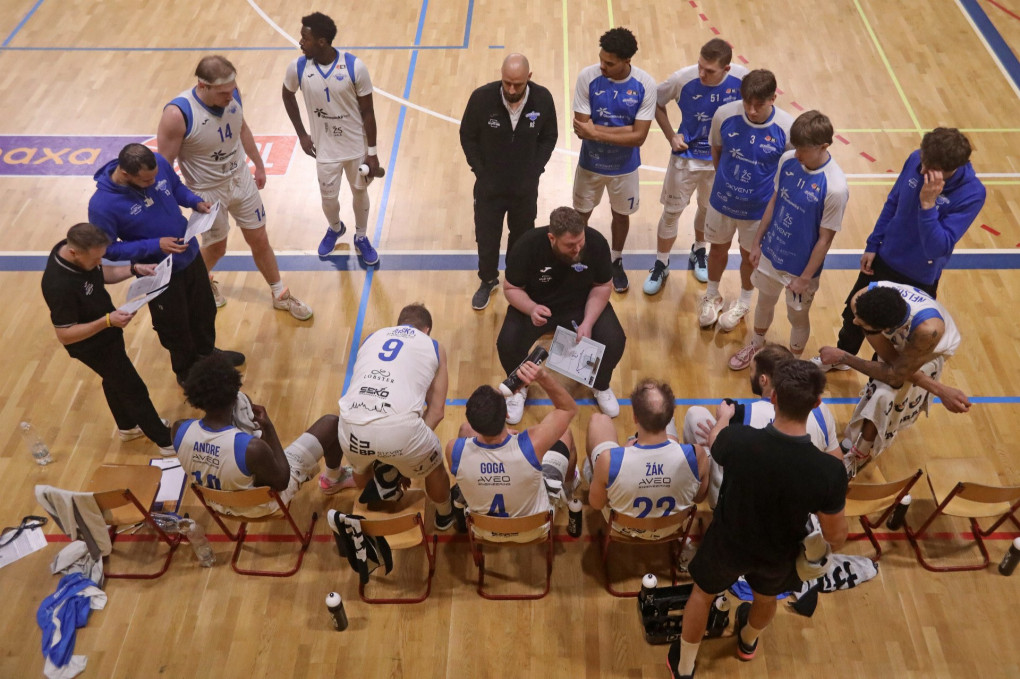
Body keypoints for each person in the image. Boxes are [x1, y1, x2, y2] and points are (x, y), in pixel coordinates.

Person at [667, 360, 848, 679]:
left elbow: (716, 441)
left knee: (702, 595)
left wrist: (724, 417)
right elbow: (836, 536)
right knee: (765, 599)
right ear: (817, 404)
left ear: (773, 396)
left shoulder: (738, 441)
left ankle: (684, 668)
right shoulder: (829, 471)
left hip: (728, 544)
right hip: (780, 553)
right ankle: (747, 642)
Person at [814, 127, 985, 371]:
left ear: (950, 169)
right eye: (923, 161)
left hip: (919, 277)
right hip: (884, 258)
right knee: (854, 316)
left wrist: (928, 205)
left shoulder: (972, 193)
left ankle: (878, 377)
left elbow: (938, 247)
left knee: (894, 333)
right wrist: (874, 243)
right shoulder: (917, 159)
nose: (921, 170)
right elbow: (893, 202)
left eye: (929, 167)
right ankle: (841, 358)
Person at [157, 54, 313, 320]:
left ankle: (279, 293)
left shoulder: (231, 94)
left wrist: (259, 164)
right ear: (203, 85)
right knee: (217, 248)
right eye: (223, 93)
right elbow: (164, 166)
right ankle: (197, 283)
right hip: (206, 191)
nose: (230, 97)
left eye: (232, 90)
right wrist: (172, 207)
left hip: (241, 179)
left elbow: (242, 128)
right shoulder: (177, 114)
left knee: (260, 239)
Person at [88, 143, 244, 385]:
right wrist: (155, 245)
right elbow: (107, 249)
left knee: (204, 310)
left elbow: (176, 187)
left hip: (190, 255)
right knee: (174, 325)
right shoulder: (102, 205)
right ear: (126, 174)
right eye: (146, 181)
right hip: (157, 272)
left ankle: (207, 355)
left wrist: (194, 202)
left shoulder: (158, 163)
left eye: (154, 178)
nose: (153, 183)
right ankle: (187, 372)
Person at [728, 110, 848, 371]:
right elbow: (774, 201)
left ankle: (792, 365)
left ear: (823, 146)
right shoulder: (787, 161)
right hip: (771, 252)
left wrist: (804, 278)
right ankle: (756, 345)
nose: (797, 154)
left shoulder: (835, 187)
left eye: (803, 149)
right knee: (764, 301)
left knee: (797, 316)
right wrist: (757, 242)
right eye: (796, 147)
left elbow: (825, 240)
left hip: (801, 269)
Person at [41, 223, 173, 454]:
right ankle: (165, 442)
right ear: (74, 252)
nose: (98, 263)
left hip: (108, 329)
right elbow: (65, 334)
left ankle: (128, 427)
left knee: (114, 379)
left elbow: (101, 273)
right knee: (132, 387)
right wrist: (107, 321)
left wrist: (134, 269)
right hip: (90, 344)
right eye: (95, 259)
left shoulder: (79, 252)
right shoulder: (58, 284)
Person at [173, 353, 355, 519]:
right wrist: (268, 428)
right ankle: (333, 479)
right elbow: (282, 481)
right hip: (261, 506)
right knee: (331, 423)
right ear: (235, 393)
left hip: (218, 504)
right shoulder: (251, 448)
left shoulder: (179, 429)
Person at [819, 282, 968, 475]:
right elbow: (890, 361)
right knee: (879, 385)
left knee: (883, 395)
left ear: (886, 328)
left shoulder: (927, 330)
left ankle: (861, 452)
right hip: (904, 343)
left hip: (931, 350)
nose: (855, 322)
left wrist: (844, 357)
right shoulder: (861, 300)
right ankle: (856, 437)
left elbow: (894, 375)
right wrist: (938, 389)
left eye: (863, 325)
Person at [497, 206, 627, 422]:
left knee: (614, 340)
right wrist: (531, 308)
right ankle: (520, 387)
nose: (577, 249)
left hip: (581, 305)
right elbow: (511, 288)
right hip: (538, 307)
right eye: (570, 245)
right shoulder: (527, 245)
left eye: (580, 242)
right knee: (507, 342)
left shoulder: (596, 243)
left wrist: (588, 322)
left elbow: (603, 285)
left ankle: (600, 384)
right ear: (552, 238)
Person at [337, 304, 455, 529]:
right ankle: (445, 515)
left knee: (360, 469)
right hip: (399, 430)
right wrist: (407, 455)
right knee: (435, 467)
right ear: (427, 330)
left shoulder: (372, 338)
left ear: (398, 324)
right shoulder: (433, 345)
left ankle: (379, 492)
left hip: (350, 423)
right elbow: (437, 412)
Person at [645, 38, 747, 294]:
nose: (701, 73)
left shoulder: (743, 80)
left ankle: (699, 250)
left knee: (707, 209)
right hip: (686, 157)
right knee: (672, 212)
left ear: (726, 69)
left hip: (720, 160)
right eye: (700, 65)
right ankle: (661, 263)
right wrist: (671, 135)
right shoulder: (683, 79)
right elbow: (655, 101)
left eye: (709, 70)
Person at [683, 345, 841, 507]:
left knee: (695, 414)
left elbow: (718, 447)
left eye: (751, 370)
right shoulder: (821, 410)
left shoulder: (742, 414)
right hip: (801, 505)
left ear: (763, 380)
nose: (750, 374)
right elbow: (836, 465)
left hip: (742, 505)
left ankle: (693, 494)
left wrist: (721, 422)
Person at [281, 12, 382, 266]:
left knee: (359, 192)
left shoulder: (354, 67)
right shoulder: (298, 68)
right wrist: (302, 134)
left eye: (305, 38)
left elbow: (368, 112)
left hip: (355, 147)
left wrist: (372, 152)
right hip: (324, 150)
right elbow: (287, 95)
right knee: (328, 199)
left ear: (322, 41)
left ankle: (361, 237)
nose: (300, 42)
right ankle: (336, 228)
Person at [460, 53, 558, 310]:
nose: (511, 90)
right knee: (487, 238)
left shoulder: (543, 99)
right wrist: (480, 170)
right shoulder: (481, 98)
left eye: (518, 84)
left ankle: (517, 282)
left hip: (525, 189)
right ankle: (488, 280)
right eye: (507, 83)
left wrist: (536, 169)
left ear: (529, 77)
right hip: (489, 189)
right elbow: (467, 135)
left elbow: (549, 136)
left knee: (522, 238)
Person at [698, 69, 794, 331]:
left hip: (758, 211)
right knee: (716, 249)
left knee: (748, 256)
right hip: (722, 201)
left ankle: (743, 301)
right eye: (747, 103)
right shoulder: (724, 115)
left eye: (758, 105)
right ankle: (712, 295)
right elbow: (717, 150)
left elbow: (787, 170)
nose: (751, 110)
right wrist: (726, 181)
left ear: (773, 98)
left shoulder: (786, 128)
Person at [447, 362, 577, 542]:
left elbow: (472, 436)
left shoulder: (453, 449)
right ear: (507, 415)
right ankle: (568, 490)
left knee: (463, 430)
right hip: (534, 529)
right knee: (565, 433)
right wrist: (543, 377)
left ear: (474, 422)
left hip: (484, 530)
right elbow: (568, 409)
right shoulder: (530, 445)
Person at [571, 26, 657, 293]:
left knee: (621, 215)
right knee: (580, 215)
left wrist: (596, 132)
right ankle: (579, 258)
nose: (602, 66)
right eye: (601, 59)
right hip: (590, 165)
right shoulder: (587, 77)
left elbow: (639, 137)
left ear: (627, 60)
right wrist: (624, 131)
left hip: (625, 168)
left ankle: (616, 259)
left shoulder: (645, 84)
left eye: (609, 63)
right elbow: (581, 128)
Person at [586, 379, 709, 538]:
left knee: (599, 420)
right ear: (671, 415)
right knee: (673, 442)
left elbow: (597, 504)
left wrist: (624, 453)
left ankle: (592, 473)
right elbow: (699, 498)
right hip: (671, 527)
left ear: (635, 418)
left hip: (624, 526)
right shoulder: (697, 455)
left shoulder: (608, 460)